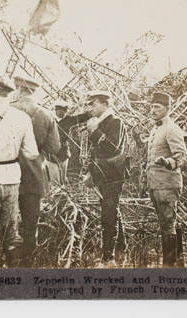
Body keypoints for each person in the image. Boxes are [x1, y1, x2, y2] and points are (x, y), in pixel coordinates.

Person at [0, 74, 38, 267]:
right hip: (12, 177)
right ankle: (14, 271)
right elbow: (32, 153)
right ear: (9, 92)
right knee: (11, 231)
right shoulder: (22, 118)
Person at [10, 73, 60, 266]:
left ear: (19, 89)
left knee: (6, 222)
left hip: (7, 174)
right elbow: (54, 148)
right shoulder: (46, 115)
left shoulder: (6, 110)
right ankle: (27, 264)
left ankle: (6, 263)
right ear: (34, 91)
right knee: (30, 224)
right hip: (34, 176)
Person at [82, 91, 130, 266]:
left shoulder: (116, 122)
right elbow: (94, 152)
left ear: (105, 104)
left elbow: (112, 148)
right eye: (88, 104)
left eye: (93, 104)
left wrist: (94, 131)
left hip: (113, 176)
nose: (89, 108)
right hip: (102, 175)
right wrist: (90, 172)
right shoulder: (99, 122)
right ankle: (121, 249)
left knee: (108, 215)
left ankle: (108, 258)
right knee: (111, 210)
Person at [145, 91, 187, 267]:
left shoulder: (171, 129)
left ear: (167, 108)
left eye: (157, 107)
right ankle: (179, 262)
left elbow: (183, 157)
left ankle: (169, 266)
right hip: (156, 184)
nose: (152, 110)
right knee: (168, 223)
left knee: (168, 225)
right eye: (151, 106)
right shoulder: (156, 129)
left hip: (167, 185)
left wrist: (168, 162)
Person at [49, 100, 71, 187]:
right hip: (51, 154)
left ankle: (63, 190)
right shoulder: (49, 119)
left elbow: (82, 117)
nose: (63, 112)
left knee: (63, 177)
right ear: (56, 110)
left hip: (64, 153)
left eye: (65, 110)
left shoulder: (68, 120)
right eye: (60, 109)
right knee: (54, 178)